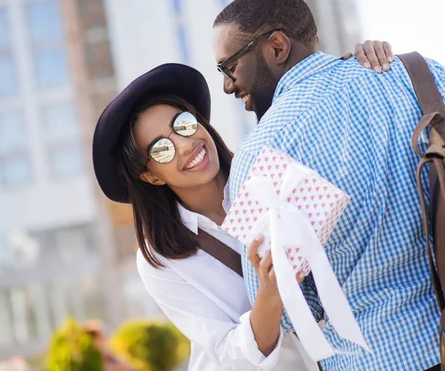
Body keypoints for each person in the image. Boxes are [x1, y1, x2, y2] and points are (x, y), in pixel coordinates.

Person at [213, 0, 445, 370]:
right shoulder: (416, 72)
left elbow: (286, 310)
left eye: (229, 66)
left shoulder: (260, 157)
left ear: (277, 47)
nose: (228, 85)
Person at [91, 44, 393, 370]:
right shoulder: (159, 259)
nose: (184, 144)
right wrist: (270, 292)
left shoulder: (269, 173)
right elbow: (229, 357)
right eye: (161, 149)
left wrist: (350, 68)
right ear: (150, 176)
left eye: (183, 124)